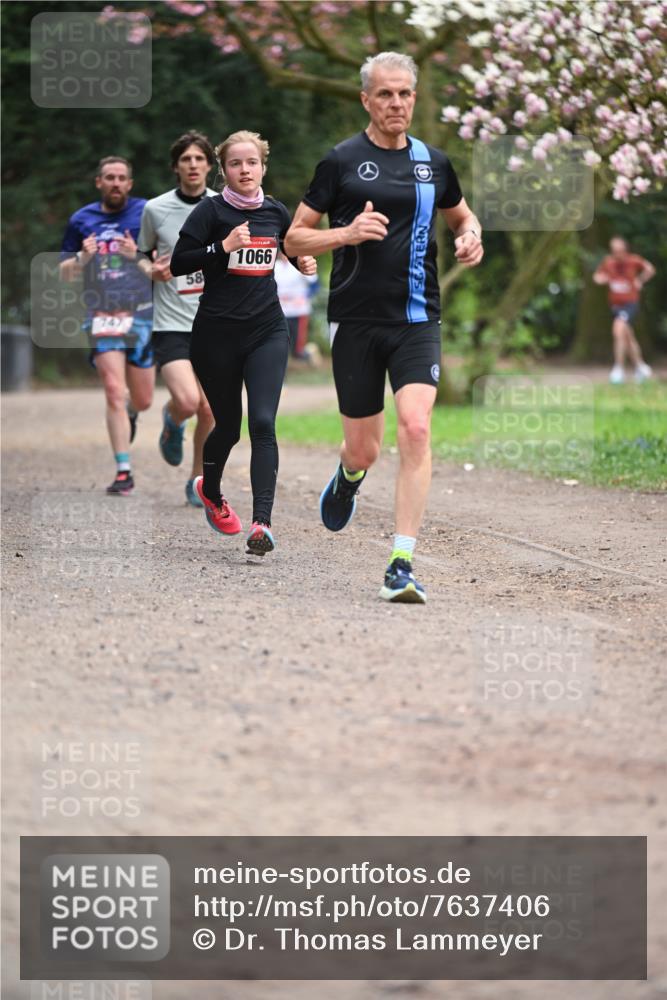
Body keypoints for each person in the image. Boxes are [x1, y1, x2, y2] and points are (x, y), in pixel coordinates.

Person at [285, 51, 483, 603]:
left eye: (405, 94)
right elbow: (294, 238)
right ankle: (348, 477)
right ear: (366, 99)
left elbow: (462, 214)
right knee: (365, 450)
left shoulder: (433, 163)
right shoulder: (340, 161)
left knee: (416, 427)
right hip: (356, 321)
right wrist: (344, 234)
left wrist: (471, 235)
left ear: (414, 99)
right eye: (385, 94)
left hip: (419, 319)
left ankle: (401, 562)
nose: (396, 104)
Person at [170, 130, 317, 555]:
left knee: (264, 423)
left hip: (267, 331)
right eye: (235, 164)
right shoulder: (209, 213)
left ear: (262, 167)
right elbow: (179, 263)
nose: (244, 170)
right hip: (215, 336)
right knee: (227, 427)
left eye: (251, 162)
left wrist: (302, 260)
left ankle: (262, 524)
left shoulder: (275, 211)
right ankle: (210, 491)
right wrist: (222, 246)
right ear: (225, 170)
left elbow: (292, 246)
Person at [60, 157, 154, 495]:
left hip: (141, 313)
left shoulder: (146, 214)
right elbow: (64, 272)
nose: (116, 183)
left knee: (142, 399)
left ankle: (132, 412)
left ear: (130, 183)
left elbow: (161, 265)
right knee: (114, 389)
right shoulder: (81, 220)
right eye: (109, 178)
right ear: (98, 182)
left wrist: (136, 255)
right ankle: (123, 471)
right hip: (101, 314)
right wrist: (82, 258)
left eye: (122, 178)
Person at [137, 131, 216, 506]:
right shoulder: (156, 209)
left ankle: (198, 479)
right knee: (186, 401)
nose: (193, 165)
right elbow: (140, 253)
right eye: (186, 159)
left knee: (211, 410)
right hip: (171, 323)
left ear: (209, 166)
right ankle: (172, 422)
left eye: (200, 159)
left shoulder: (224, 207)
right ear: (176, 167)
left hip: (216, 323)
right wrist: (150, 269)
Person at [593, 236, 655, 384]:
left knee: (618, 329)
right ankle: (640, 367)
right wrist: (602, 279)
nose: (617, 253)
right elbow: (597, 276)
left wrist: (640, 280)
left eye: (619, 250)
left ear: (625, 249)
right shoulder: (608, 262)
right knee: (628, 337)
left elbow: (650, 269)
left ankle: (618, 369)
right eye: (614, 250)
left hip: (630, 303)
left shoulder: (634, 260)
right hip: (616, 305)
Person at [274, 252, 319, 360]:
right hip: (281, 309)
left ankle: (306, 356)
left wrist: (306, 296)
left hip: (298, 309)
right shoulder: (275, 266)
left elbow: (315, 284)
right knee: (279, 340)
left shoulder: (301, 263)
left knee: (298, 345)